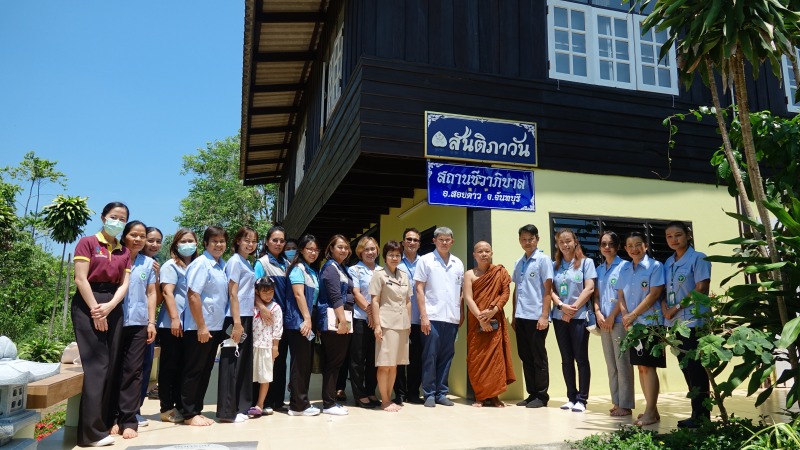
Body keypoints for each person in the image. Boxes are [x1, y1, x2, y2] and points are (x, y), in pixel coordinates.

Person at [72, 202, 131, 447]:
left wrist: (110, 306)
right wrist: (97, 311)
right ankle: (90, 435)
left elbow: (124, 284)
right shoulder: (87, 242)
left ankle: (103, 423)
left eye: (122, 218)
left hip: (113, 306)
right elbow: (80, 278)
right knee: (97, 365)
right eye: (113, 216)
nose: (117, 221)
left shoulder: (123, 250)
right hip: (88, 305)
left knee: (111, 364)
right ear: (103, 217)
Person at [662, 221, 712, 428]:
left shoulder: (698, 258)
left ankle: (702, 416)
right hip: (675, 323)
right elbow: (663, 290)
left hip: (693, 320)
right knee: (685, 367)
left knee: (696, 367)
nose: (674, 240)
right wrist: (665, 307)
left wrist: (675, 308)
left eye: (678, 235)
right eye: (669, 236)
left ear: (688, 235)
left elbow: (702, 288)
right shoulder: (668, 262)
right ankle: (696, 413)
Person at [112, 221, 157, 439]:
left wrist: (151, 323)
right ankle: (111, 417)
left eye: (142, 236)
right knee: (112, 369)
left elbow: (151, 294)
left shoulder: (148, 263)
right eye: (134, 235)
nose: (138, 239)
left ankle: (128, 419)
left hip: (139, 324)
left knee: (133, 371)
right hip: (114, 322)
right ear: (124, 236)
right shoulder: (115, 257)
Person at [181, 226, 229, 426]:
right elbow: (193, 295)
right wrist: (201, 326)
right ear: (206, 244)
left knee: (206, 369)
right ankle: (188, 413)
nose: (219, 245)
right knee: (194, 370)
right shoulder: (202, 264)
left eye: (222, 241)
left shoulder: (221, 264)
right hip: (200, 327)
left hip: (215, 327)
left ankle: (196, 409)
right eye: (214, 241)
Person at [618, 232, 665, 427]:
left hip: (650, 324)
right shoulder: (625, 269)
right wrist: (625, 315)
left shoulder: (655, 266)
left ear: (645, 246)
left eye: (638, 245)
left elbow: (654, 295)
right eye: (630, 246)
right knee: (641, 367)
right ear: (626, 249)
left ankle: (650, 411)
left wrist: (633, 315)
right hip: (633, 325)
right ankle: (651, 410)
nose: (634, 249)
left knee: (649, 366)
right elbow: (620, 295)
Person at [414, 226, 465, 408]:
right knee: (430, 355)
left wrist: (460, 314)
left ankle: (442, 393)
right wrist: (424, 316)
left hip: (451, 318)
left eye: (448, 239)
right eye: (441, 239)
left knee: (447, 356)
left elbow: (460, 291)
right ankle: (429, 393)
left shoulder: (458, 263)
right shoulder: (426, 260)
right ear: (434, 241)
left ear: (452, 241)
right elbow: (419, 289)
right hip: (432, 317)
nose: (444, 242)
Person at [464, 241, 515, 408]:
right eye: (480, 251)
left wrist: (494, 310)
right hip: (475, 321)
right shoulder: (469, 274)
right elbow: (468, 298)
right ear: (474, 255)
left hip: (495, 320)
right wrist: (480, 317)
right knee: (476, 357)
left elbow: (505, 292)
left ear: (491, 253)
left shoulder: (499, 272)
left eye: (487, 251)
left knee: (495, 358)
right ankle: (480, 396)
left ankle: (494, 397)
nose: (484, 254)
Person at [550, 228, 596, 413]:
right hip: (560, 316)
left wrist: (572, 308)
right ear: (557, 245)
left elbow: (590, 288)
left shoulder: (586, 263)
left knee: (581, 358)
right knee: (566, 359)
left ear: (575, 241)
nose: (565, 245)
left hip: (578, 317)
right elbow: (550, 290)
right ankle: (570, 397)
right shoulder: (554, 265)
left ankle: (582, 399)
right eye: (561, 242)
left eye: (568, 241)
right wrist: (561, 307)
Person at [156, 227, 197, 423]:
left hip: (190, 324)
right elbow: (167, 293)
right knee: (169, 366)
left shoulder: (197, 265)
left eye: (191, 241)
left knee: (184, 366)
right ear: (175, 245)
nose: (188, 245)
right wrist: (174, 318)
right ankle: (166, 407)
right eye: (184, 241)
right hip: (172, 324)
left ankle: (181, 405)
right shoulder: (170, 266)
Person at [217, 226, 258, 423]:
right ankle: (227, 412)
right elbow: (232, 293)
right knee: (230, 363)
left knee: (242, 363)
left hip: (246, 315)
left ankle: (240, 407)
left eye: (253, 241)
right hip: (236, 317)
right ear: (238, 241)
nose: (250, 244)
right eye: (246, 240)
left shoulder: (247, 262)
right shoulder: (234, 262)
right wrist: (237, 322)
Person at [512, 224, 554, 409]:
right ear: (520, 241)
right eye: (523, 239)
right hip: (521, 317)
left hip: (537, 316)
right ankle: (531, 394)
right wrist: (514, 316)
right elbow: (516, 291)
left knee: (538, 357)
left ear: (537, 239)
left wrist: (545, 315)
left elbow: (548, 290)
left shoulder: (543, 260)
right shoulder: (519, 263)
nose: (527, 242)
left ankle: (542, 395)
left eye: (530, 239)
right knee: (525, 356)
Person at [594, 231, 634, 417]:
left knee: (623, 364)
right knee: (611, 364)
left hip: (618, 322)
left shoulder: (625, 266)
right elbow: (596, 295)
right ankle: (616, 401)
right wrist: (598, 313)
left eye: (610, 244)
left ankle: (625, 405)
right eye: (603, 244)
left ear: (617, 246)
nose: (607, 247)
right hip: (604, 322)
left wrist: (611, 316)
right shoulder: (600, 269)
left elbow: (624, 294)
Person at [369, 240, 412, 412]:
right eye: (391, 255)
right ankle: (384, 400)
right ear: (385, 257)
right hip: (386, 324)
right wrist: (377, 325)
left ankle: (389, 398)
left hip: (402, 325)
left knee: (395, 364)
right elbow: (375, 300)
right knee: (384, 363)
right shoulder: (379, 275)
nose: (395, 258)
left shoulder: (404, 275)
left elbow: (408, 301)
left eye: (397, 255)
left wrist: (408, 324)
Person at [316, 235, 355, 416]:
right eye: (339, 247)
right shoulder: (331, 268)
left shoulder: (341, 268)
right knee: (333, 362)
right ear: (331, 249)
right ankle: (329, 404)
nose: (343, 250)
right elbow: (334, 297)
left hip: (341, 318)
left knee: (336, 362)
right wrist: (343, 322)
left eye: (346, 247)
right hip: (334, 320)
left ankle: (330, 401)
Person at [255, 226, 291, 412]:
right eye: (275, 240)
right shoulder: (261, 263)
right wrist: (262, 307)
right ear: (267, 242)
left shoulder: (286, 263)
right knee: (266, 363)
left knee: (280, 360)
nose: (278, 243)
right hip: (265, 322)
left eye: (281, 240)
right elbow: (253, 288)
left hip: (281, 320)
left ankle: (278, 401)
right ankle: (265, 401)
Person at [284, 234, 321, 416]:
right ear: (301, 250)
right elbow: (299, 295)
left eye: (316, 250)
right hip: (299, 320)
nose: (313, 253)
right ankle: (297, 406)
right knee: (300, 362)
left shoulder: (311, 270)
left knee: (305, 362)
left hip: (308, 319)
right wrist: (307, 319)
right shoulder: (298, 269)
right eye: (309, 249)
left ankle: (301, 401)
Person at [347, 236, 381, 408]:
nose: (370, 252)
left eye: (373, 248)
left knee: (374, 358)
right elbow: (356, 292)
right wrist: (370, 312)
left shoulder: (382, 270)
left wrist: (376, 317)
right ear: (360, 252)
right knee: (358, 359)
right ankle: (359, 395)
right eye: (366, 249)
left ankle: (370, 391)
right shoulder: (355, 270)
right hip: (360, 319)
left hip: (378, 322)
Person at [394, 227, 423, 405]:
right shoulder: (395, 262)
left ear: (419, 244)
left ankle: (413, 393)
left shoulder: (425, 262)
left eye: (415, 240)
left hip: (420, 318)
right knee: (398, 358)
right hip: (399, 317)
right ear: (403, 242)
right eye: (409, 239)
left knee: (416, 357)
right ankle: (399, 393)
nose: (412, 242)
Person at [138, 226, 163, 426]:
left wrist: (158, 276)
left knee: (145, 366)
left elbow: (156, 297)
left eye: (158, 241)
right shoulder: (128, 260)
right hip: (128, 322)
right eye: (151, 240)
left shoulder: (155, 265)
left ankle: (136, 408)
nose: (154, 245)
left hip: (147, 323)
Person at [251, 277, 283, 417]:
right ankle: (249, 402)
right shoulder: (252, 306)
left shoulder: (276, 308)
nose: (268, 295)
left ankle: (260, 404)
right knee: (252, 375)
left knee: (265, 377)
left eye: (271, 292)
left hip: (266, 347)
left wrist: (275, 347)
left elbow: (277, 329)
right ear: (257, 292)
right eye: (264, 292)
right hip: (252, 346)